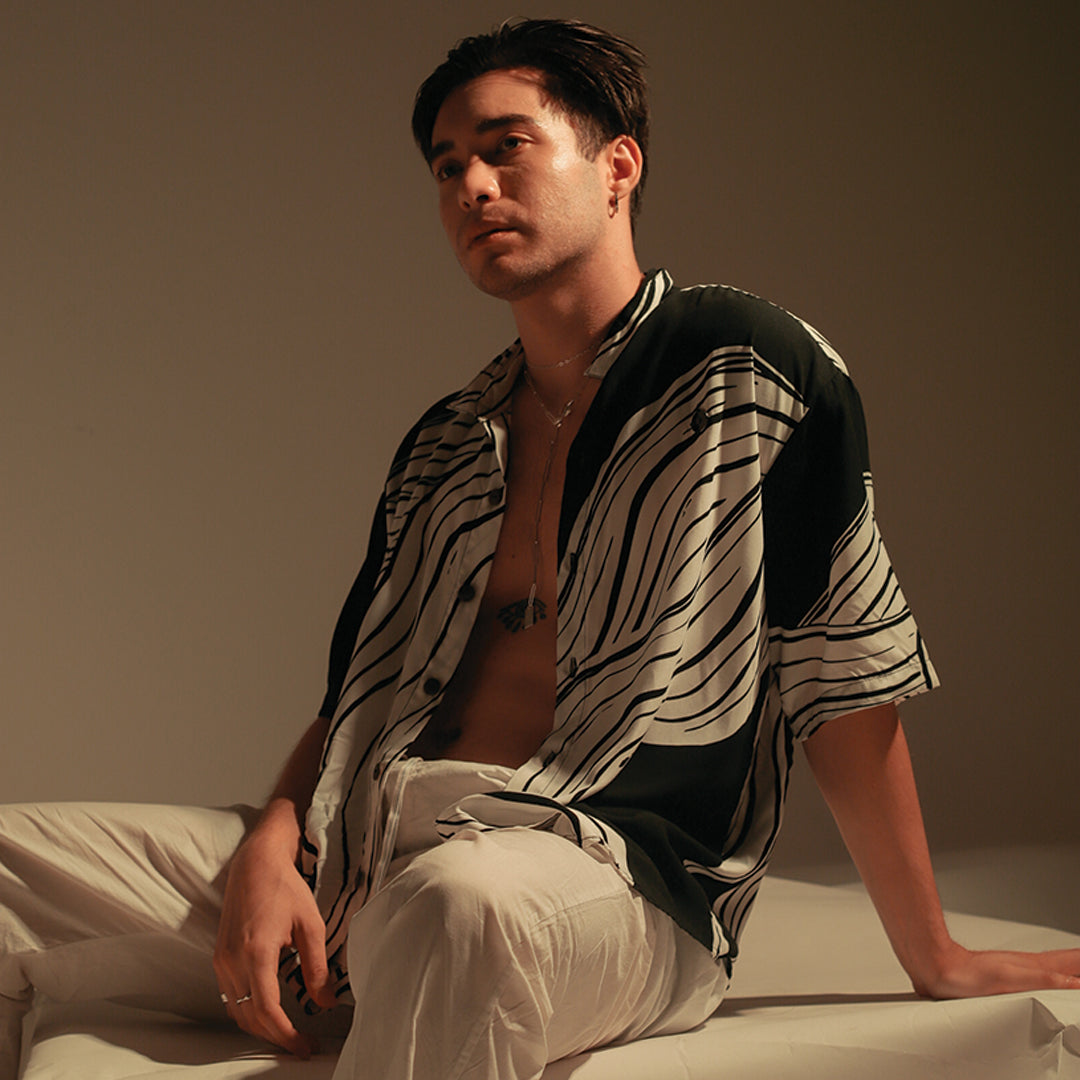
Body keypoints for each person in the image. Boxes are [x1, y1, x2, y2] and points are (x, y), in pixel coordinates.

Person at [2, 18, 1078, 1080]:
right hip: (368, 850)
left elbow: (839, 673)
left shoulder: (747, 371)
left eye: (505, 146)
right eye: (447, 166)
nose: (471, 186)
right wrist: (272, 845)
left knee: (459, 908)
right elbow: (354, 701)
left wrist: (932, 954)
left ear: (618, 167)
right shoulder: (445, 442)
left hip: (605, 877)